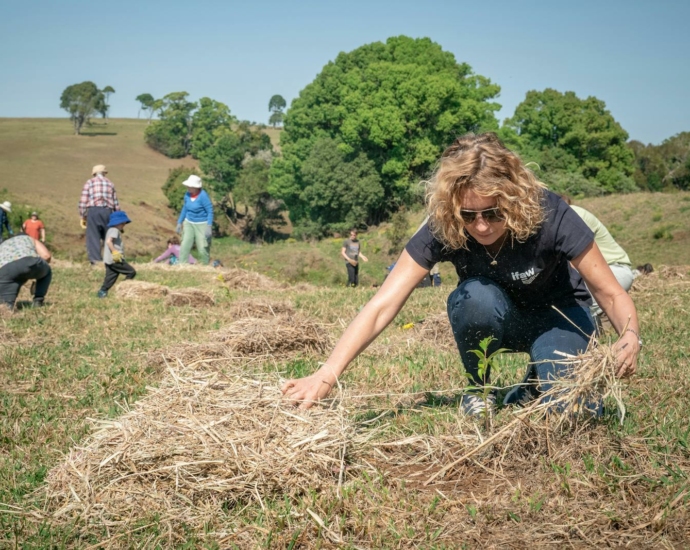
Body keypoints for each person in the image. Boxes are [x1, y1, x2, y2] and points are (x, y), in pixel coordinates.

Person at [282, 133, 641, 417]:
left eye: (493, 213)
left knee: (574, 411)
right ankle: (478, 389)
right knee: (473, 298)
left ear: (514, 197)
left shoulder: (551, 213)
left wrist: (629, 335)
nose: (481, 226)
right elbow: (382, 304)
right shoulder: (445, 223)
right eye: (469, 215)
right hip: (500, 316)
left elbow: (610, 292)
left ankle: (537, 381)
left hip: (560, 318)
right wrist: (326, 374)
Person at [560, 195, 634, 316]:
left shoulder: (572, 215)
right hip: (598, 273)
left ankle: (592, 331)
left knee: (574, 300)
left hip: (614, 270)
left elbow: (572, 262)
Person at [78, 164, 120, 264]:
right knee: (108, 236)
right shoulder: (110, 183)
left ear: (94, 173)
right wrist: (118, 217)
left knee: (93, 237)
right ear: (104, 173)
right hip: (108, 212)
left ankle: (95, 261)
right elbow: (116, 203)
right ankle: (109, 261)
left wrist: (83, 215)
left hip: (93, 211)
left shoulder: (89, 182)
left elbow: (83, 201)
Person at [0, 234, 52, 309]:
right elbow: (46, 256)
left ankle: (7, 309)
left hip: (6, 269)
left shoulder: (2, 245)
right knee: (47, 271)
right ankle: (38, 300)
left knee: (5, 307)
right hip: (30, 261)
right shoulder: (29, 238)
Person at [98, 211, 136, 298]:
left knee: (110, 278)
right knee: (131, 272)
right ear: (119, 222)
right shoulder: (114, 230)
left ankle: (102, 292)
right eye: (123, 223)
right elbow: (108, 242)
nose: (124, 225)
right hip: (115, 259)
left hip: (109, 260)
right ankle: (124, 289)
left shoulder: (110, 230)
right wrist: (115, 252)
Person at [176, 175, 213, 265]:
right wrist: (179, 222)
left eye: (190, 186)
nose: (188, 188)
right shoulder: (187, 195)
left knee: (202, 247)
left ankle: (204, 266)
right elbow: (185, 208)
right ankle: (182, 265)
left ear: (196, 187)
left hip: (202, 223)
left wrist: (209, 225)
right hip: (189, 222)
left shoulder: (203, 196)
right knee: (185, 244)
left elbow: (210, 210)